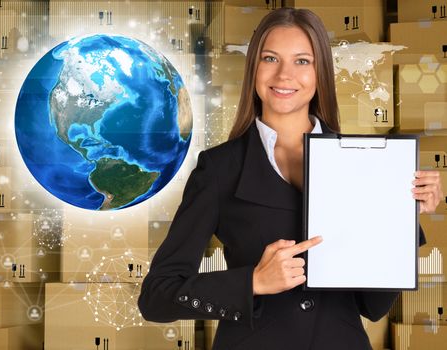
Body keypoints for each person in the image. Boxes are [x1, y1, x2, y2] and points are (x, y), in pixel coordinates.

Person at [139, 8, 443, 349]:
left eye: (302, 61)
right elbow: (156, 297)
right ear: (254, 67)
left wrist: (401, 216)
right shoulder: (219, 168)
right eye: (271, 58)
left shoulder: (367, 163)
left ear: (320, 73)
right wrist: (251, 282)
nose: (285, 74)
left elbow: (373, 306)